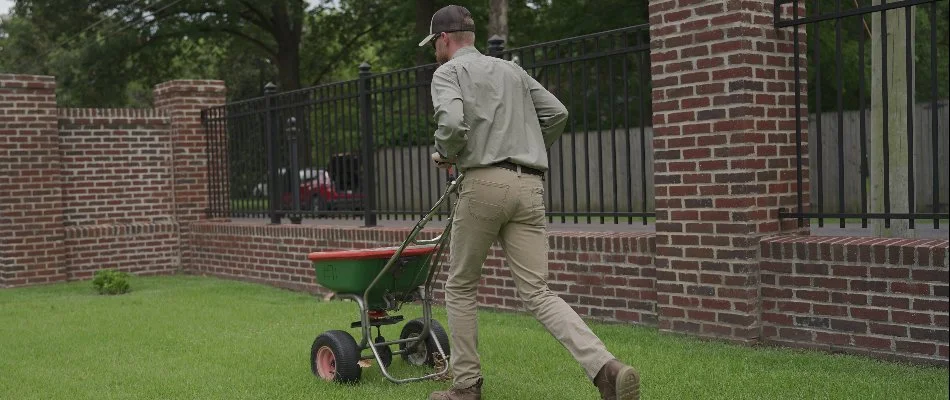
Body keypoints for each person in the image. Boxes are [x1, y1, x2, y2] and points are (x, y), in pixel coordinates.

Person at [420, 5, 640, 400]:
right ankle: (606, 369)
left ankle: (466, 387)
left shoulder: (447, 72)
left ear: (444, 39)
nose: (434, 51)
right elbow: (557, 113)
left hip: (484, 183)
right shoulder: (512, 71)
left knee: (461, 286)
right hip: (530, 185)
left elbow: (451, 125)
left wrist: (448, 153)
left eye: (434, 44)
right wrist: (527, 147)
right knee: (538, 291)